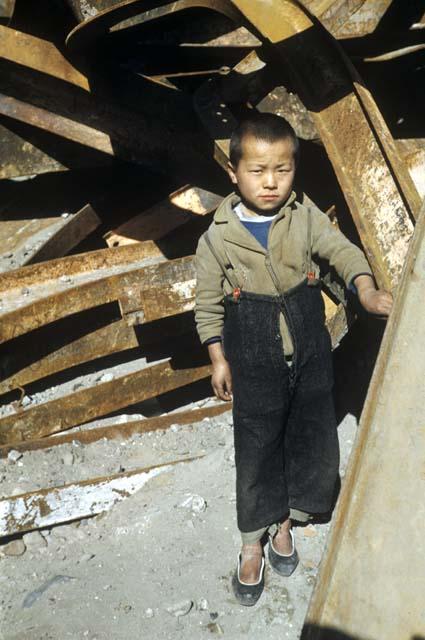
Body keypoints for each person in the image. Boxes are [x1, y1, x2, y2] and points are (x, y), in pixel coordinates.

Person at [194, 113, 392, 606]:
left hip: (307, 340)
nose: (270, 182)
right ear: (233, 173)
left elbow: (341, 252)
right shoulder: (217, 237)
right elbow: (207, 304)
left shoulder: (304, 216)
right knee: (258, 439)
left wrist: (364, 288)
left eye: (282, 170)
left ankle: (286, 519)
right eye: (258, 170)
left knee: (307, 428)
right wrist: (219, 359)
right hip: (252, 349)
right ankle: (249, 541)